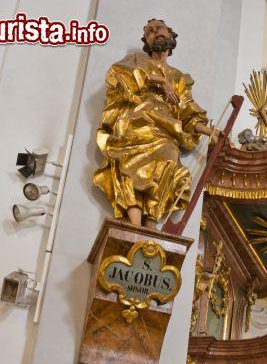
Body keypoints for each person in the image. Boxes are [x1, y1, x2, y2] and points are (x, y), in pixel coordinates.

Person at [93, 18, 220, 228]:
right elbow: (119, 76)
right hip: (135, 121)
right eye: (150, 31)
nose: (156, 32)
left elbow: (187, 110)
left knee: (168, 163)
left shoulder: (179, 77)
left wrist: (210, 131)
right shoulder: (136, 60)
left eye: (160, 28)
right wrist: (159, 81)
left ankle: (151, 224)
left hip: (165, 130)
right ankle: (134, 224)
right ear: (147, 40)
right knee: (126, 163)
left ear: (171, 36)